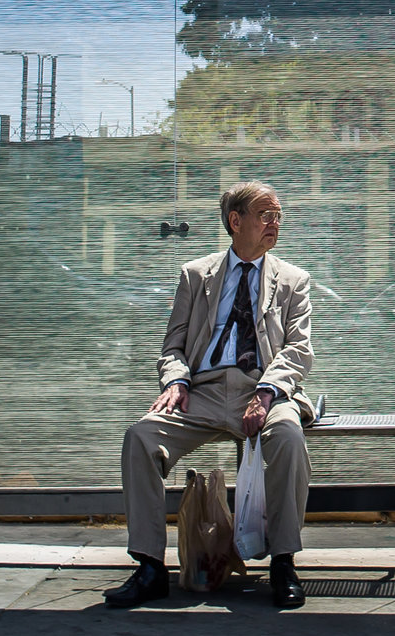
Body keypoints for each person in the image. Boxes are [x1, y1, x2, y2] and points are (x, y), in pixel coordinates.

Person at [107, 181, 315, 610]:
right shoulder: (196, 275)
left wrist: (268, 392)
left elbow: (298, 349)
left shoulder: (294, 280)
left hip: (261, 388)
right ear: (235, 222)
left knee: (288, 438)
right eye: (265, 215)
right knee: (141, 438)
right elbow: (173, 348)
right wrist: (176, 382)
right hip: (199, 392)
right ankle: (148, 566)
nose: (274, 223)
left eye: (278, 215)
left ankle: (283, 562)